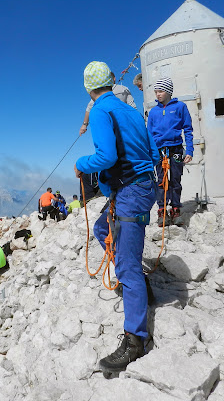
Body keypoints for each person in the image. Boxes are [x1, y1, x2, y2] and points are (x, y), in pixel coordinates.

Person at [74, 61, 158, 373]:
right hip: (143, 186)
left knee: (126, 265)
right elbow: (150, 153)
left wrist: (82, 163)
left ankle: (136, 340)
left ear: (88, 87)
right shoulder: (130, 110)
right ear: (111, 81)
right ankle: (136, 279)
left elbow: (106, 156)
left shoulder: (99, 110)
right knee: (101, 227)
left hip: (130, 192)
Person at [146, 77, 193, 226]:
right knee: (161, 181)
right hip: (159, 150)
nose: (157, 94)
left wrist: (190, 150)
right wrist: (149, 152)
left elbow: (188, 129)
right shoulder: (153, 112)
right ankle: (162, 210)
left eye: (160, 91)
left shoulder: (180, 107)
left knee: (175, 180)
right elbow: (149, 134)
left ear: (168, 91)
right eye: (156, 92)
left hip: (177, 148)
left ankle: (176, 209)